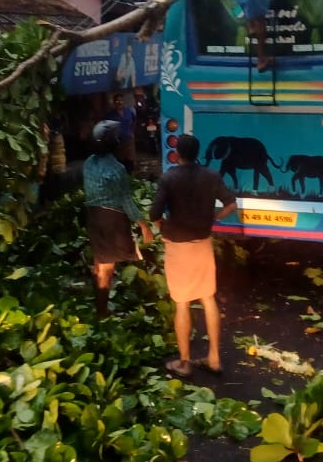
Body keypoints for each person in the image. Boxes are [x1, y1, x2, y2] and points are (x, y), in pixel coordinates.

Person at [148, 134, 238, 378]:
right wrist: (214, 218)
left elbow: (154, 212)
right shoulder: (211, 176)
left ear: (177, 154)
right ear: (197, 153)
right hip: (203, 243)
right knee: (208, 298)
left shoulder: (169, 178)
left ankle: (185, 361)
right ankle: (214, 358)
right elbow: (232, 203)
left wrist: (162, 228)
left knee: (182, 302)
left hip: (178, 246)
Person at [83, 120, 155, 318]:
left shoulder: (88, 163)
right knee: (107, 267)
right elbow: (126, 201)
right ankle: (102, 312)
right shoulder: (116, 169)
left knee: (99, 262)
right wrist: (144, 226)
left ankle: (100, 303)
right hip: (110, 219)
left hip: (92, 216)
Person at [109, 93, 136, 173]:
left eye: (121, 100)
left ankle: (131, 176)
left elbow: (134, 121)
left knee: (130, 161)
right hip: (118, 142)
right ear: (114, 103)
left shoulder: (128, 111)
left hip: (129, 140)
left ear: (123, 101)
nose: (119, 102)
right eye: (117, 101)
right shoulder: (110, 115)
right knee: (120, 161)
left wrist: (132, 132)